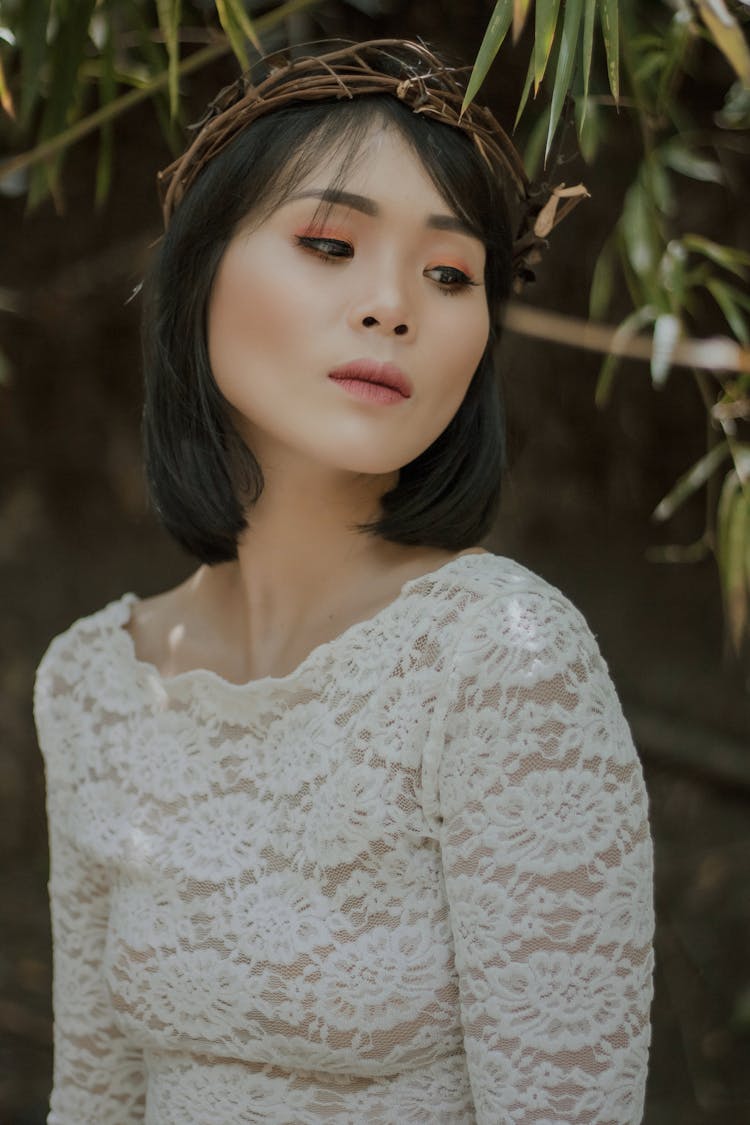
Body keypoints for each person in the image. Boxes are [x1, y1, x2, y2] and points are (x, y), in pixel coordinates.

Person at [34, 39, 654, 1125]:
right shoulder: (91, 684)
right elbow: (94, 1096)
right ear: (199, 271)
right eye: (329, 242)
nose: (393, 305)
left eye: (451, 274)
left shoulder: (501, 660)